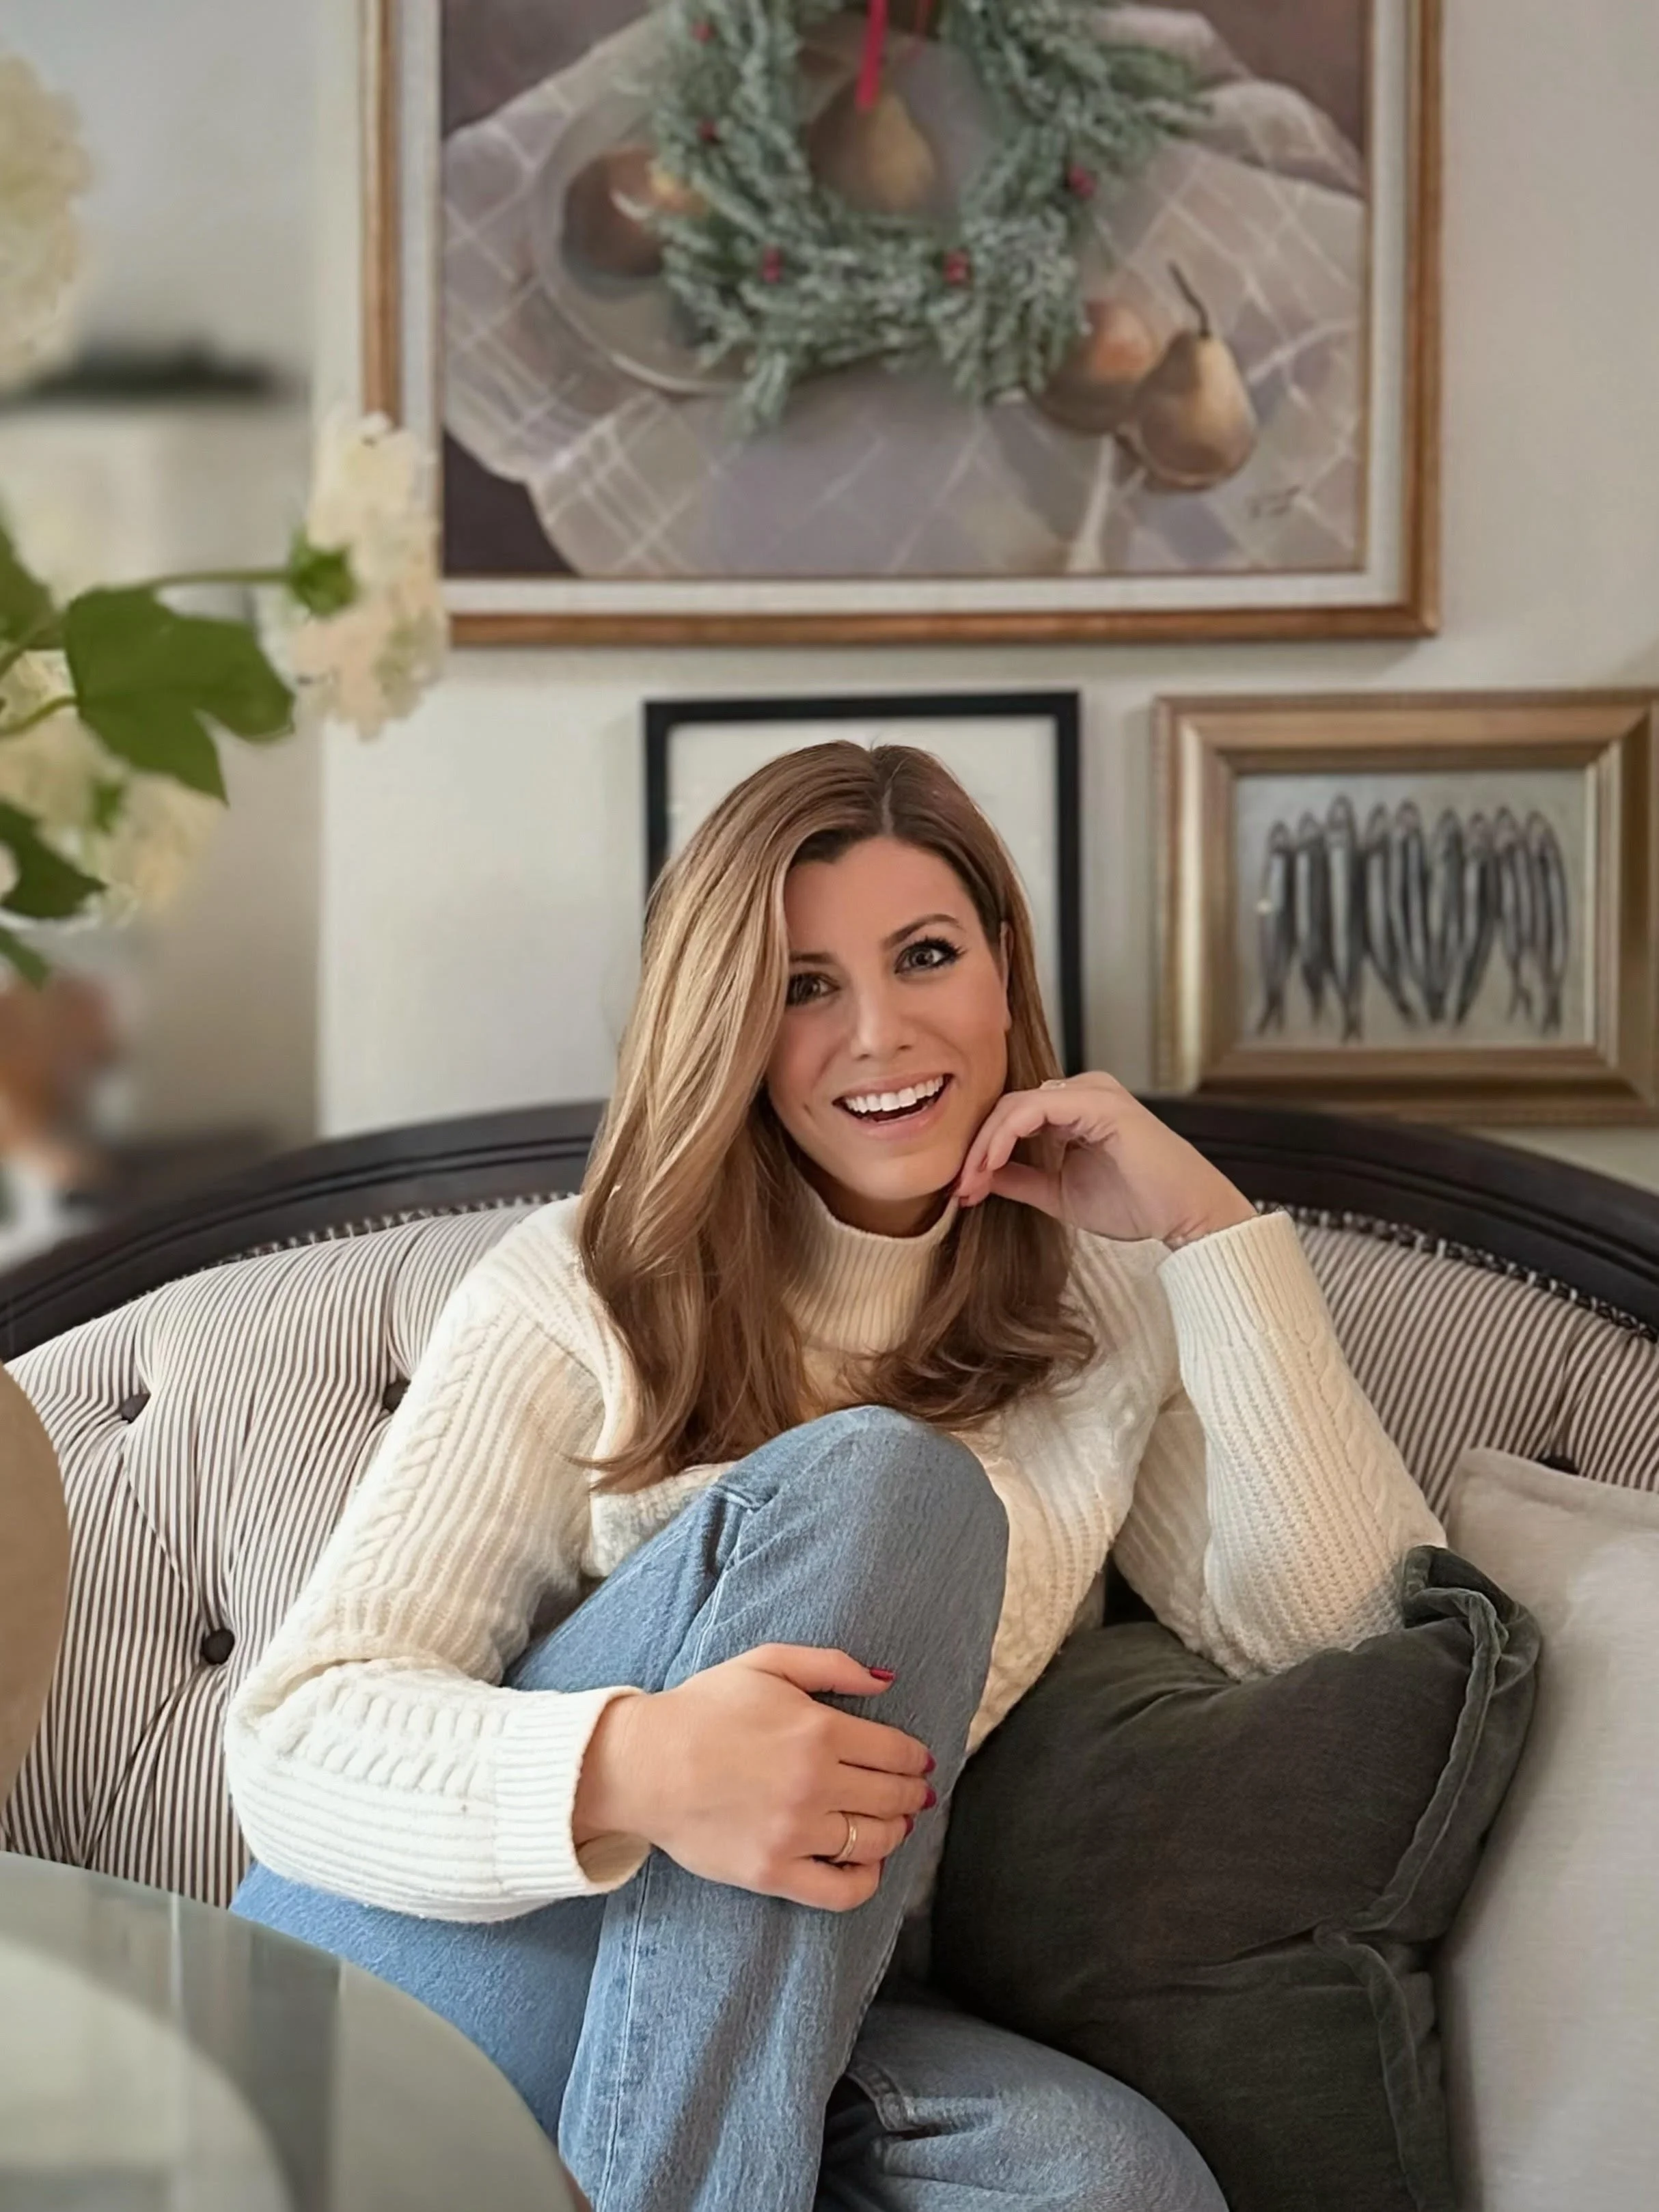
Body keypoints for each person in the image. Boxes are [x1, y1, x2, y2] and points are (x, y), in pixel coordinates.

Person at [225, 743, 1446, 2211]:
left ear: (1000, 971)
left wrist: (1206, 1236)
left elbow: (1355, 1641)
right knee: (892, 1489)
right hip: (462, 1972)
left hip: (798, 2011)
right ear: (729, 1020)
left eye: (923, 954)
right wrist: (642, 1766)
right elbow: (291, 1741)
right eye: (803, 985)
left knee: (1112, 2184)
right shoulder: (583, 1286)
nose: (878, 1031)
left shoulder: (1101, 1302)